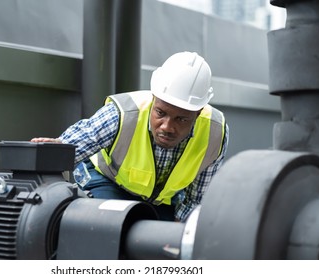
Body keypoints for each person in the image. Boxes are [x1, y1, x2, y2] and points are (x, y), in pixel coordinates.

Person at [31, 51, 229, 222]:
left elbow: (195, 199)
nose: (167, 127)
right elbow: (82, 139)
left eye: (181, 119)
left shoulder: (214, 134)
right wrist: (57, 149)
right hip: (107, 180)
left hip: (160, 199)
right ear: (153, 98)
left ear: (199, 112)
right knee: (114, 227)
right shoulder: (124, 114)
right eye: (160, 113)